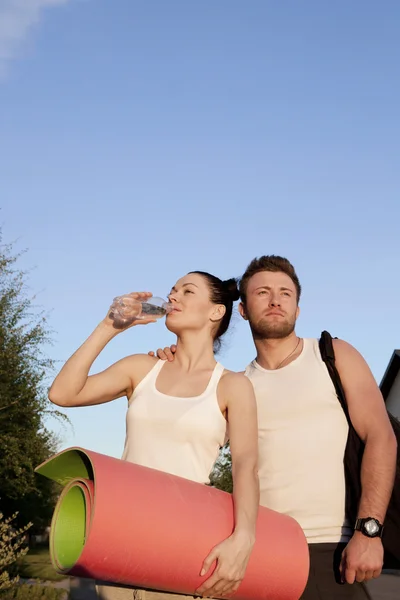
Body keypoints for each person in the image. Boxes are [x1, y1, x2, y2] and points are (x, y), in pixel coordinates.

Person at [153, 256, 397, 600]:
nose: (275, 300)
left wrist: (369, 532)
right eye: (262, 292)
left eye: (285, 293)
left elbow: (381, 438)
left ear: (297, 309)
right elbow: (190, 441)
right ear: (242, 310)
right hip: (258, 550)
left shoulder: (333, 356)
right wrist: (174, 370)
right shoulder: (234, 385)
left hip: (331, 548)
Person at [49, 271, 259, 600]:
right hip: (122, 539)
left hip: (190, 547)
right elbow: (62, 394)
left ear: (216, 312)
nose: (173, 297)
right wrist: (110, 326)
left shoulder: (233, 386)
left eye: (187, 291)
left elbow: (245, 465)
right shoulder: (142, 368)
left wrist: (244, 537)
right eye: (173, 291)